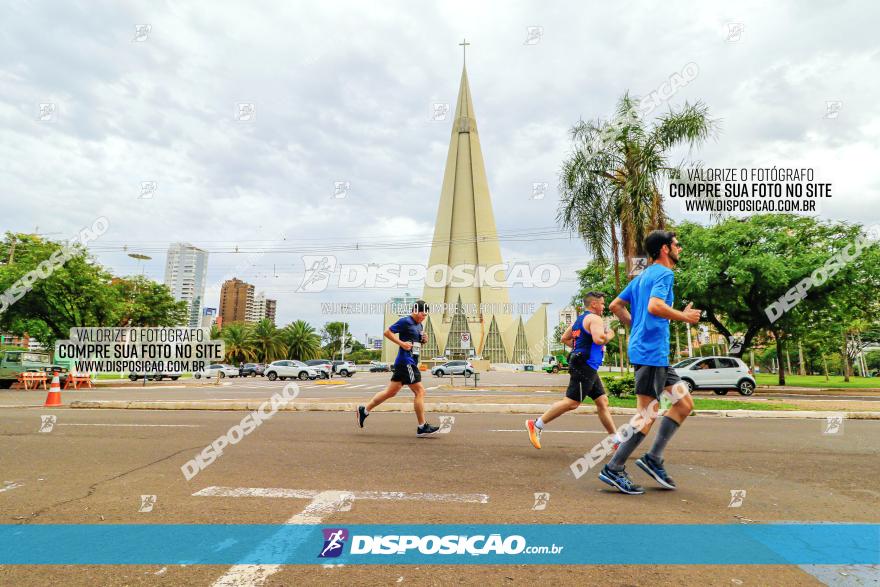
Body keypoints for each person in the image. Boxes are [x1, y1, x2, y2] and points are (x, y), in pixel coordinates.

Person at [601, 230, 701, 495]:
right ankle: (614, 467)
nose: (680, 248)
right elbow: (655, 307)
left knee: (683, 403)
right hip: (649, 354)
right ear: (665, 249)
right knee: (646, 415)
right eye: (677, 245)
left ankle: (653, 459)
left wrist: (636, 328)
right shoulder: (664, 274)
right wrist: (684, 316)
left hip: (654, 354)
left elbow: (615, 305)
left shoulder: (643, 276)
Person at [525, 292, 619, 450]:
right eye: (602, 304)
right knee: (573, 402)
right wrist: (609, 334)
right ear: (594, 304)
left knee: (602, 401)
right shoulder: (595, 319)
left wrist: (578, 350)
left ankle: (615, 440)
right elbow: (598, 339)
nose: (604, 307)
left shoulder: (579, 320)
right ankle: (536, 424)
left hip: (585, 364)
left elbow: (564, 338)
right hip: (585, 364)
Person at [356, 300, 440, 437]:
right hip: (407, 362)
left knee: (390, 392)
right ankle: (422, 426)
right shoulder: (405, 321)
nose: (424, 317)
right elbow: (387, 332)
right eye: (422, 314)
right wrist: (401, 343)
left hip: (407, 362)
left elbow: (416, 344)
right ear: (415, 310)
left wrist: (424, 340)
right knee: (420, 391)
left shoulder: (419, 325)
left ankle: (364, 410)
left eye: (425, 315)